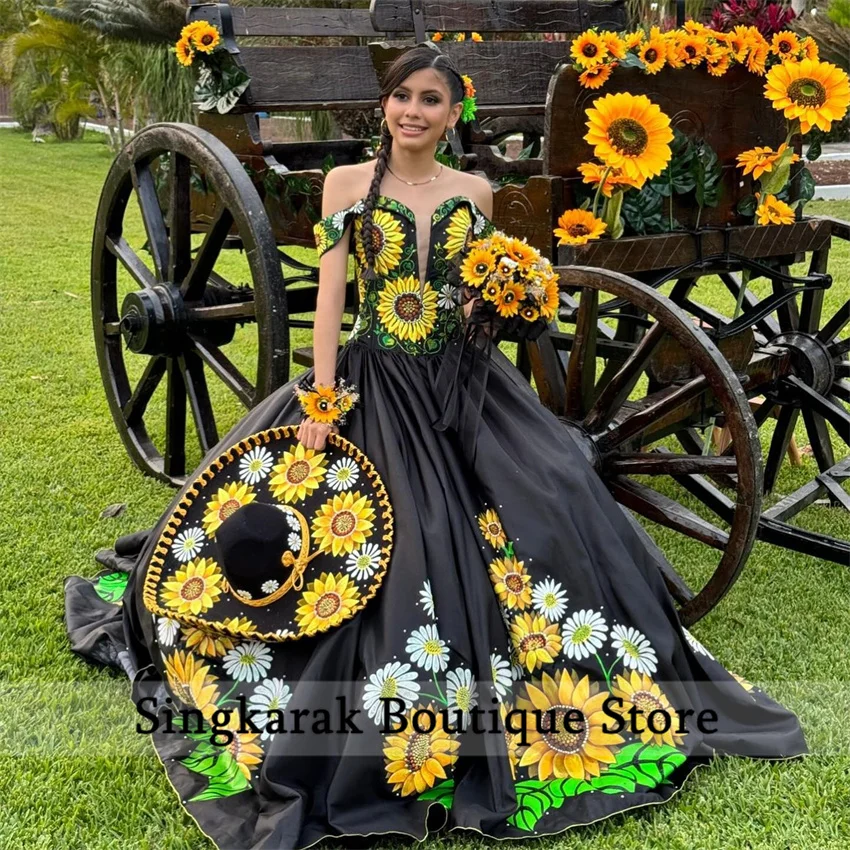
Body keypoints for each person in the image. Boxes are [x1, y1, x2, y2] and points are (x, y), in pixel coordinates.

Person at [65, 43, 807, 850]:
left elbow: (470, 295)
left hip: (464, 385)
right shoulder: (347, 186)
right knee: (396, 537)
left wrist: (509, 303)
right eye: (401, 97)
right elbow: (330, 305)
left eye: (430, 100)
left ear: (455, 114)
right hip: (374, 382)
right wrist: (320, 400)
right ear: (383, 107)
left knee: (558, 483)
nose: (413, 111)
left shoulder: (476, 192)